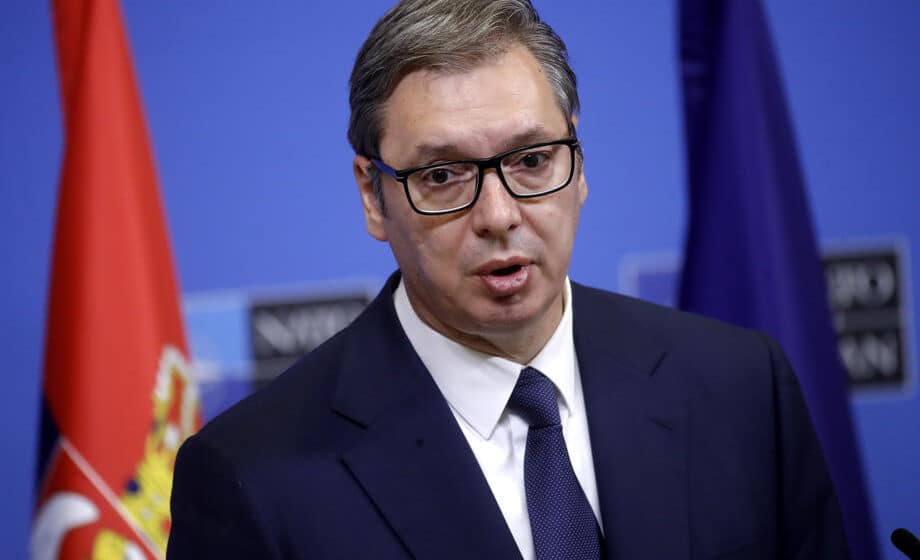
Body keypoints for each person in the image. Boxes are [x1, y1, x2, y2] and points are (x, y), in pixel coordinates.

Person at [167, 1, 849, 558]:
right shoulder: (251, 476)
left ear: (578, 161)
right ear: (373, 196)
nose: (498, 216)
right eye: (442, 175)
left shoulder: (740, 387)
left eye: (531, 160)